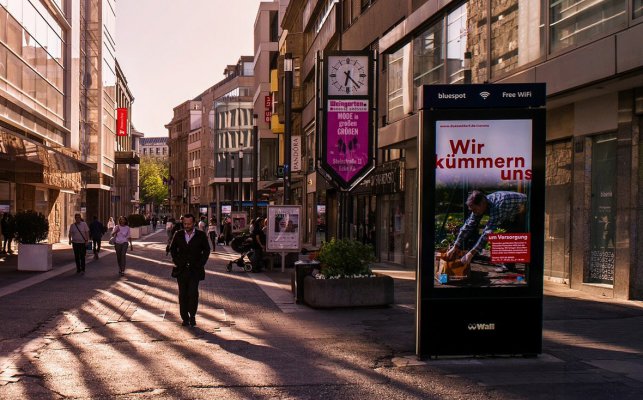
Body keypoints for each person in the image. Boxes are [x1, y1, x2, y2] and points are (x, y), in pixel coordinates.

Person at [446, 190, 527, 271]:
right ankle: (509, 266)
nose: (473, 212)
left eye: (474, 209)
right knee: (507, 230)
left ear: (482, 204)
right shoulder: (481, 206)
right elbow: (468, 226)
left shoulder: (498, 206)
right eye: (471, 210)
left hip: (527, 208)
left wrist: (471, 254)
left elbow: (487, 233)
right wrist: (455, 246)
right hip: (512, 211)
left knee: (515, 233)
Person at [168, 213, 210, 327]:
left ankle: (192, 316)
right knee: (183, 294)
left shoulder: (200, 235)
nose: (186, 226)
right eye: (185, 223)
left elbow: (207, 250)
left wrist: (201, 263)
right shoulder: (178, 234)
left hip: (195, 270)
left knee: (193, 293)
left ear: (194, 223)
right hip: (181, 270)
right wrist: (177, 261)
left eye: (189, 224)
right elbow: (172, 249)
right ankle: (184, 318)